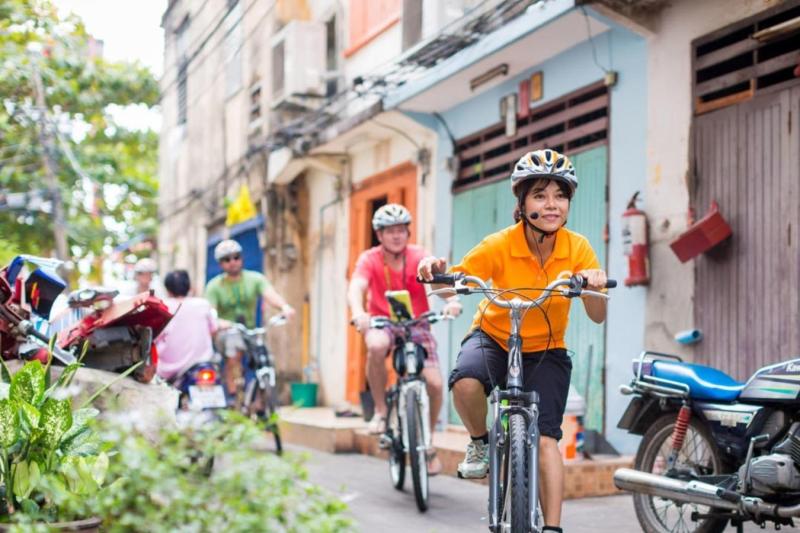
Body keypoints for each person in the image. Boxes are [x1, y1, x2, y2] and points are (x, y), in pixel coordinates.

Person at [418, 149, 608, 532]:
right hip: (493, 336)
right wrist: (435, 275)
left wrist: (592, 285)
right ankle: (478, 441)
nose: (552, 204)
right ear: (522, 203)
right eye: (540, 195)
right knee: (466, 381)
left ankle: (552, 527)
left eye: (560, 195)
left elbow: (597, 315)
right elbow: (449, 287)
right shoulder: (498, 244)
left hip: (547, 349)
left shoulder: (578, 248)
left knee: (547, 439)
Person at [347, 203, 462, 476]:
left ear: (408, 233)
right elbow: (356, 287)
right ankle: (380, 411)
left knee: (434, 383)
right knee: (375, 345)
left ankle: (428, 441)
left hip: (418, 323)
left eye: (401, 230)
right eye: (390, 231)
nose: (396, 236)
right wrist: (358, 312)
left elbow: (438, 283)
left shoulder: (419, 255)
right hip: (381, 321)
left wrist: (453, 299)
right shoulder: (369, 259)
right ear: (379, 235)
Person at [205, 239, 295, 399]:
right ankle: (234, 397)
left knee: (264, 358)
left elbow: (270, 294)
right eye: (227, 259)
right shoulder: (214, 286)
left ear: (241, 258)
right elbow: (210, 313)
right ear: (220, 264)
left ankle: (262, 401)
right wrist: (220, 322)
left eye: (236, 257)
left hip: (251, 330)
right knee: (235, 349)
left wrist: (284, 307)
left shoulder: (255, 279)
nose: (232, 262)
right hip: (228, 332)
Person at [155, 270, 217, 381]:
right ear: (189, 287)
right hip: (201, 365)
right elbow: (213, 330)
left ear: (168, 290)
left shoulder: (162, 306)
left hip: (168, 370)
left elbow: (155, 337)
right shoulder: (203, 304)